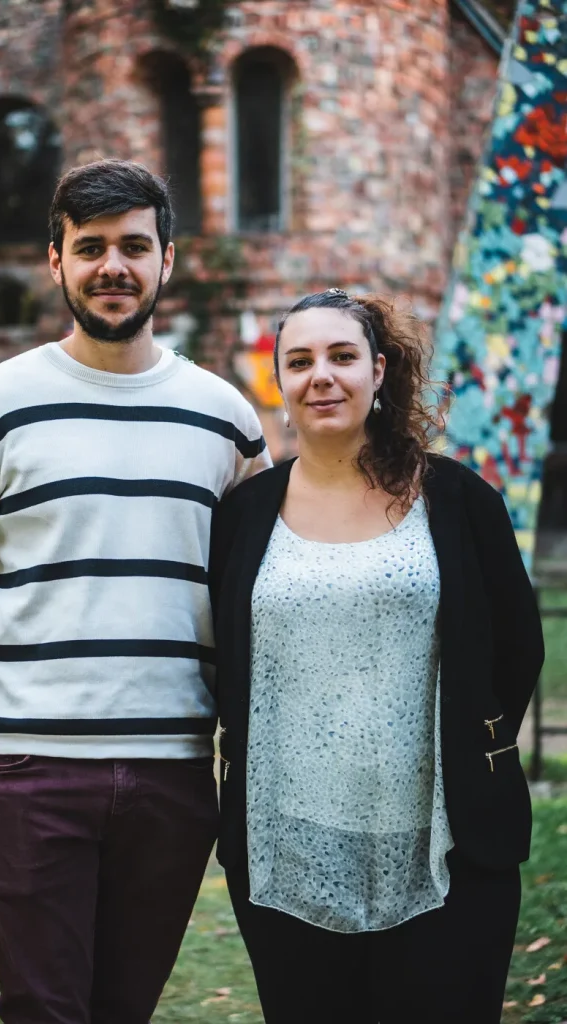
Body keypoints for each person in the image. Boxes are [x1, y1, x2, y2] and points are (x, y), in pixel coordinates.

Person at [0, 159, 271, 1024]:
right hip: (29, 771)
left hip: (174, 774)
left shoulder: (226, 421)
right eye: (91, 247)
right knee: (43, 1008)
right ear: (56, 261)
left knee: (123, 1008)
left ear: (166, 260)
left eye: (134, 246)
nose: (115, 266)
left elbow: (260, 600)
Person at [209, 288, 544, 1024]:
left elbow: (518, 644)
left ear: (379, 369)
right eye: (298, 361)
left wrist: (466, 743)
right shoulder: (243, 514)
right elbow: (223, 659)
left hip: (445, 844)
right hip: (284, 843)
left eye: (340, 356)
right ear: (280, 380)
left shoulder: (458, 501)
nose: (319, 376)